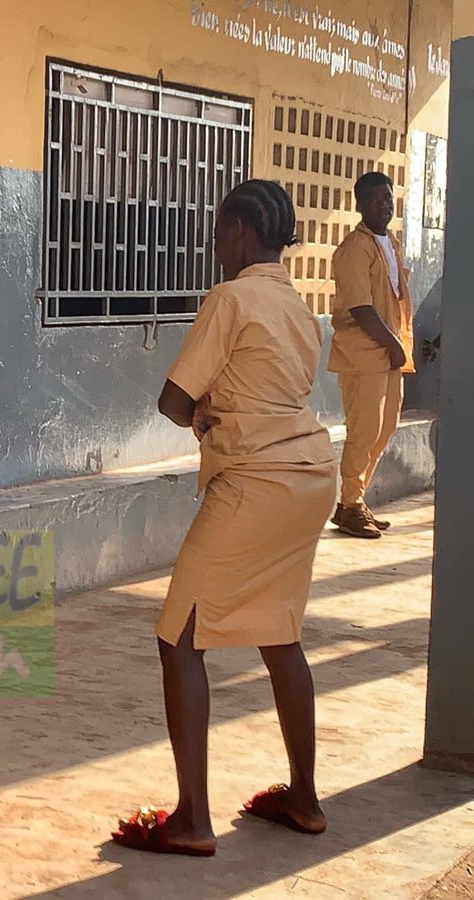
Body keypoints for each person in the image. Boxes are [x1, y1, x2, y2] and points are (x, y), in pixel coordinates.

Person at [111, 181, 337, 857]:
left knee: (180, 637)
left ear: (240, 229)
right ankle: (304, 798)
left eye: (217, 231)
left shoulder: (231, 297)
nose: (213, 245)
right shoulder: (299, 306)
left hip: (257, 479)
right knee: (279, 633)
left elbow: (172, 398)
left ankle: (192, 820)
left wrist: (198, 414)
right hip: (308, 473)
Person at [328, 171, 414, 539]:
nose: (384, 205)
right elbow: (362, 307)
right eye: (376, 199)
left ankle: (354, 501)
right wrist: (393, 345)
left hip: (391, 351)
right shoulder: (354, 249)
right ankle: (348, 504)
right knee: (363, 431)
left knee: (386, 428)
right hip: (364, 353)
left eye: (388, 198)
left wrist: (397, 345)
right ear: (359, 204)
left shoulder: (389, 243)